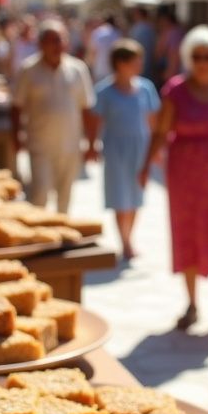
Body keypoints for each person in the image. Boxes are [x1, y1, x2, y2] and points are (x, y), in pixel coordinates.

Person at [139, 25, 208, 329]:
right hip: (184, 175)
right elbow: (161, 131)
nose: (203, 62)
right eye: (197, 56)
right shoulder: (175, 89)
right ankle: (191, 304)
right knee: (187, 231)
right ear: (189, 57)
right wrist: (146, 165)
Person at [12, 20, 95, 213]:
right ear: (41, 44)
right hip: (40, 144)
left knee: (65, 198)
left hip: (70, 145)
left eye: (60, 40)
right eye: (52, 41)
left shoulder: (77, 69)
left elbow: (86, 108)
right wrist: (16, 137)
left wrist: (91, 144)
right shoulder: (28, 70)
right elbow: (16, 106)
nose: (57, 46)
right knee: (39, 195)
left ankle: (61, 239)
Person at [88, 39, 160, 260]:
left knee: (136, 195)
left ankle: (131, 236)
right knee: (120, 195)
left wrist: (156, 150)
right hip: (115, 148)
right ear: (120, 63)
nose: (139, 66)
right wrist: (91, 146)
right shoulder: (104, 91)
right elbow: (95, 121)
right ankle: (125, 241)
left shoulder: (146, 88)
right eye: (135, 62)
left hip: (140, 147)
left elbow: (152, 119)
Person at [154, 8, 184, 86]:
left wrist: (168, 74)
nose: (159, 23)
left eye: (161, 20)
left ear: (166, 20)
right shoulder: (174, 31)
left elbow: (174, 54)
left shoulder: (173, 33)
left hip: (170, 73)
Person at [88, 14, 121, 82]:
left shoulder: (98, 32)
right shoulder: (117, 33)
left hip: (99, 68)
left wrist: (91, 66)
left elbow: (93, 51)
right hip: (113, 68)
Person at [129, 6, 157, 80]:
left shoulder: (137, 28)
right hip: (149, 63)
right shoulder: (151, 28)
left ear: (138, 14)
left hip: (138, 62)